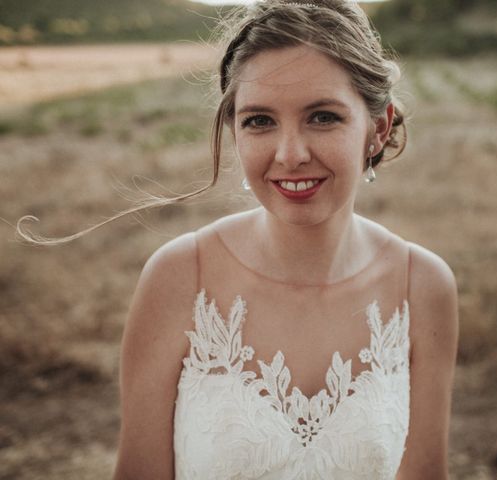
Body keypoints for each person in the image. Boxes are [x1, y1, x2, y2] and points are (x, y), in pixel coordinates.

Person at [17, 1, 458, 478]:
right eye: (260, 121)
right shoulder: (180, 276)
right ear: (235, 131)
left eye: (323, 117)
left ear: (378, 128)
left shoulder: (424, 285)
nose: (290, 155)